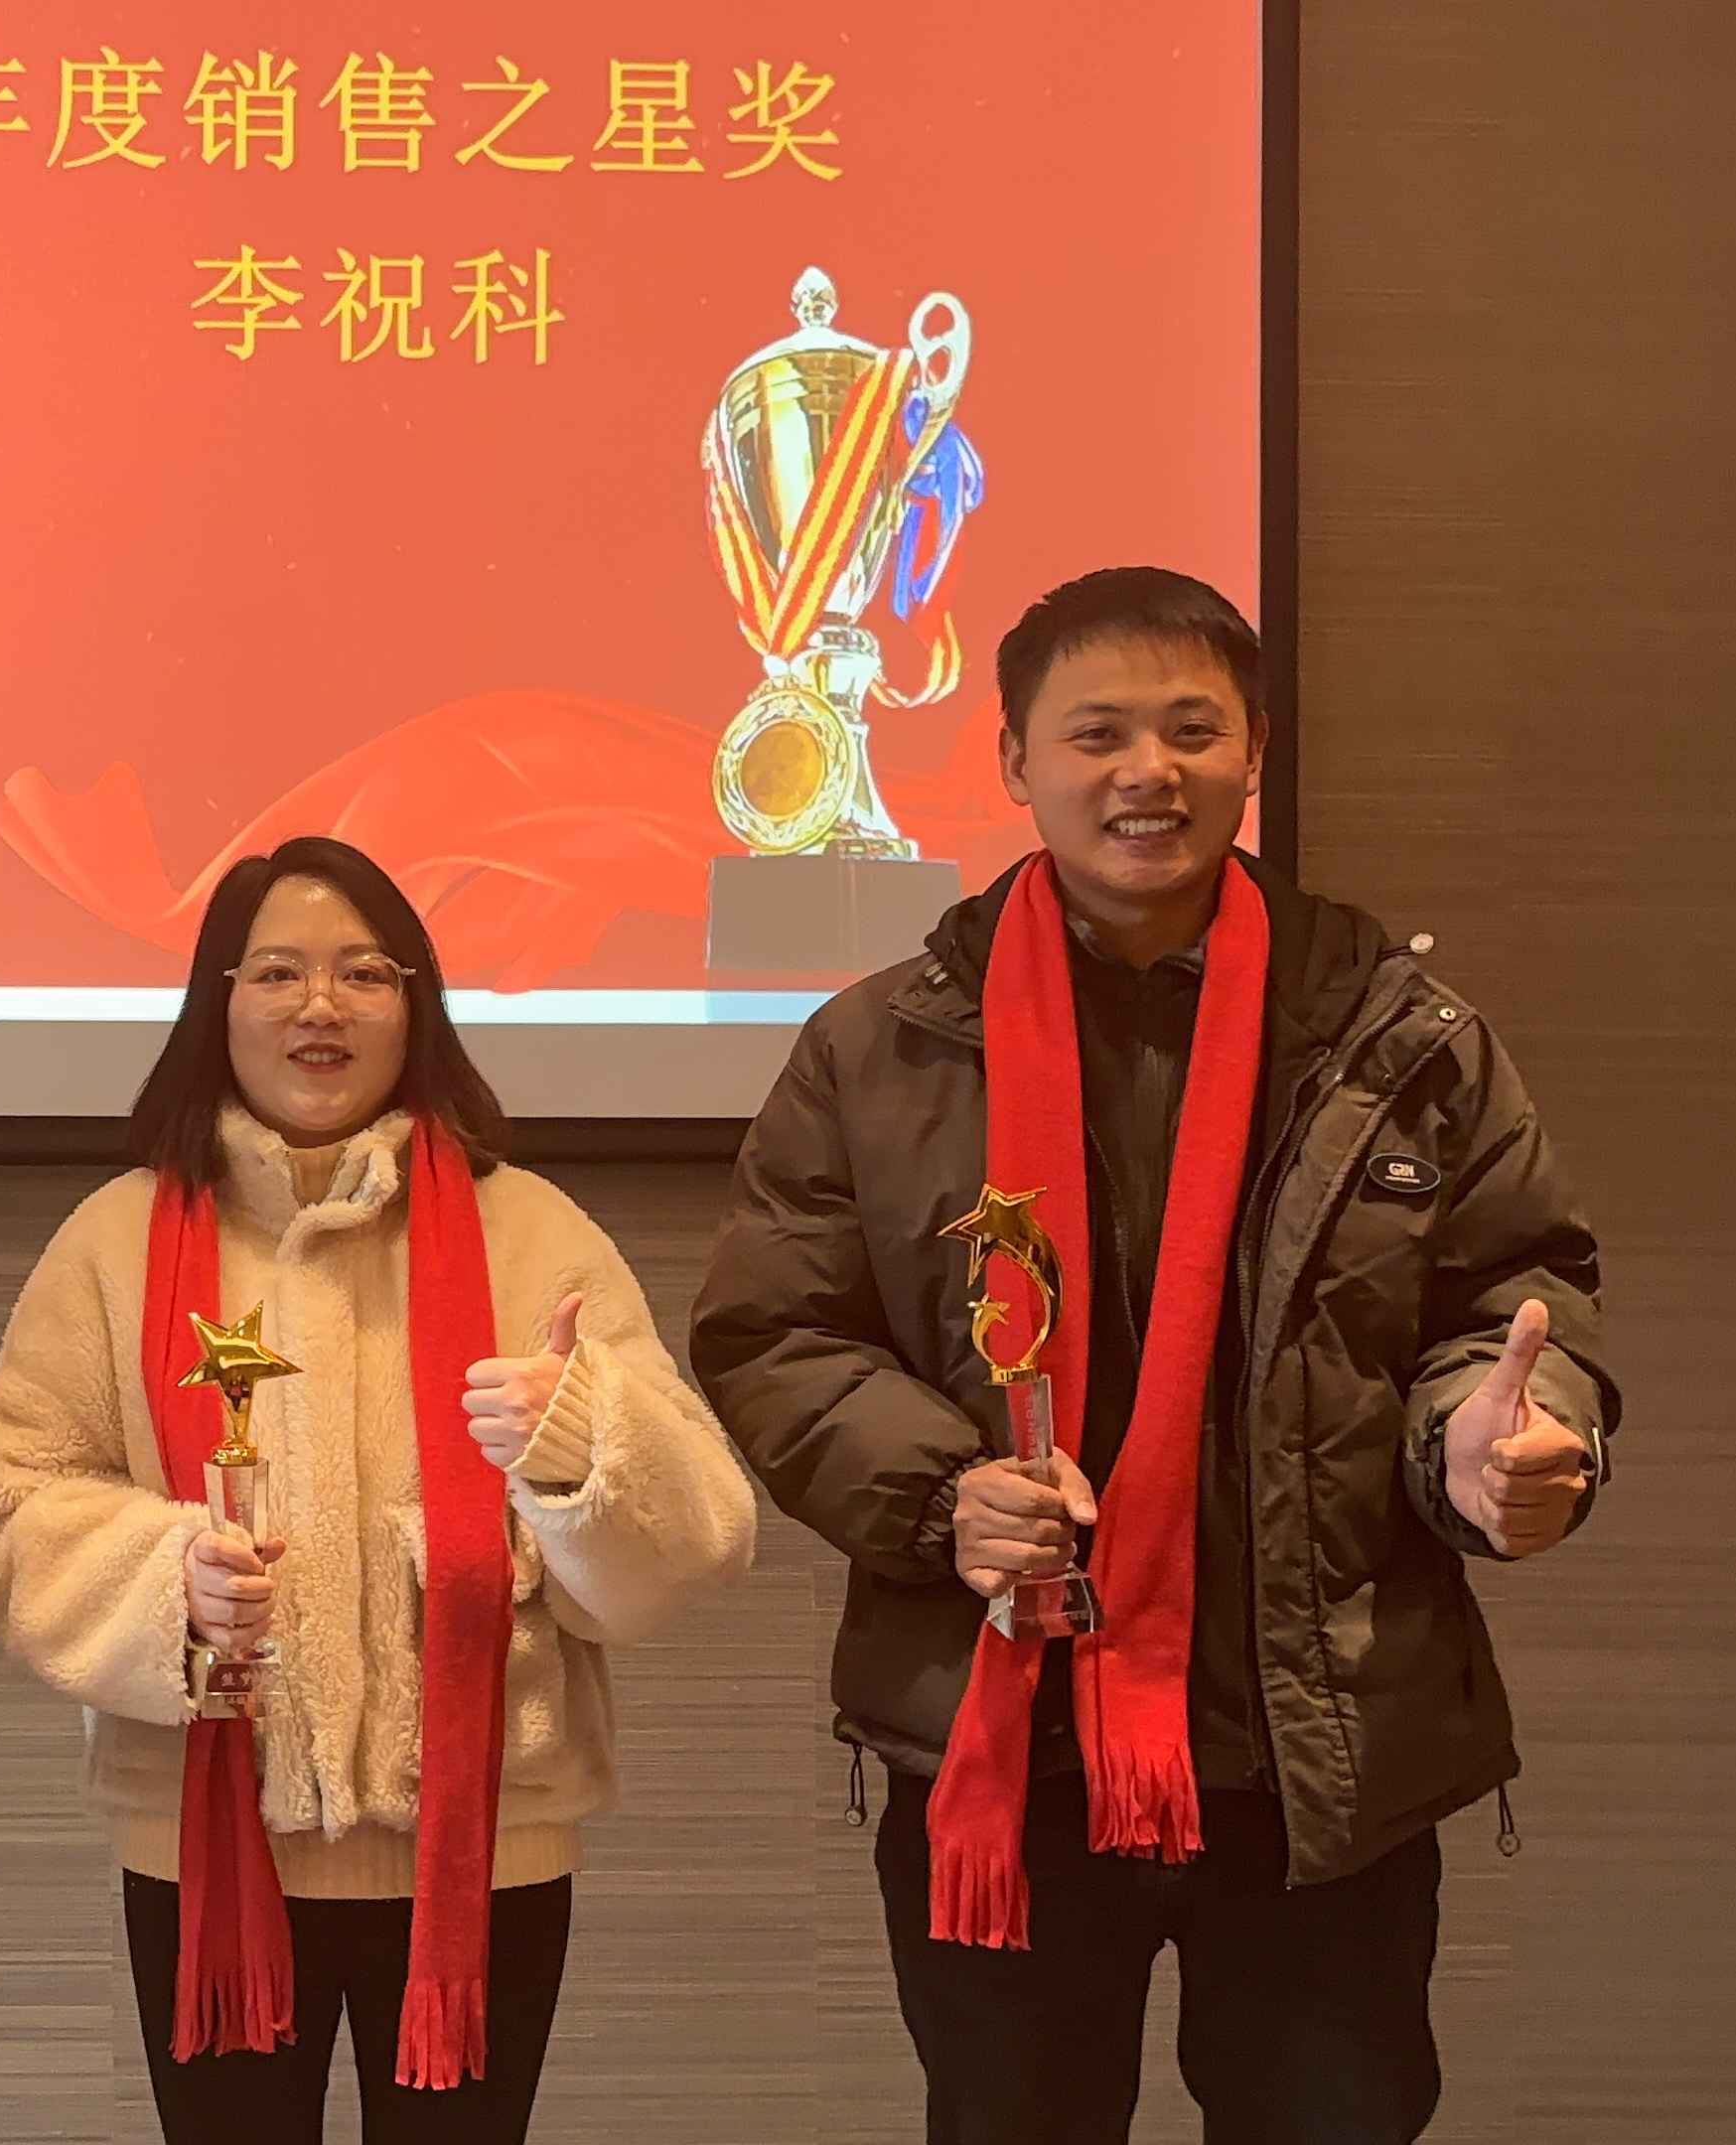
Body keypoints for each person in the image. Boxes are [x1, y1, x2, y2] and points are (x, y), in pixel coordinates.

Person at [688, 567, 1621, 2144]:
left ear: (1255, 750)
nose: (1148, 772)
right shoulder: (880, 1046)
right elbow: (774, 1330)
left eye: (1193, 730)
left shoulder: (1401, 1037)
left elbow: (1517, 1296)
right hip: (1011, 1737)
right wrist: (941, 1495)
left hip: (1317, 1743)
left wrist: (1488, 1440)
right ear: (1012, 760)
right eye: (1098, 733)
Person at [0, 835, 759, 2143]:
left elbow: (703, 1533)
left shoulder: (531, 1228)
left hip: (487, 1848)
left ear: (415, 1005)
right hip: (204, 1846)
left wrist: (575, 1444)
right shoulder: (116, 1237)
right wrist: (165, 1581)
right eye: (278, 972)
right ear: (219, 1004)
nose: (321, 1006)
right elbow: (11, 1504)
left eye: (365, 973)